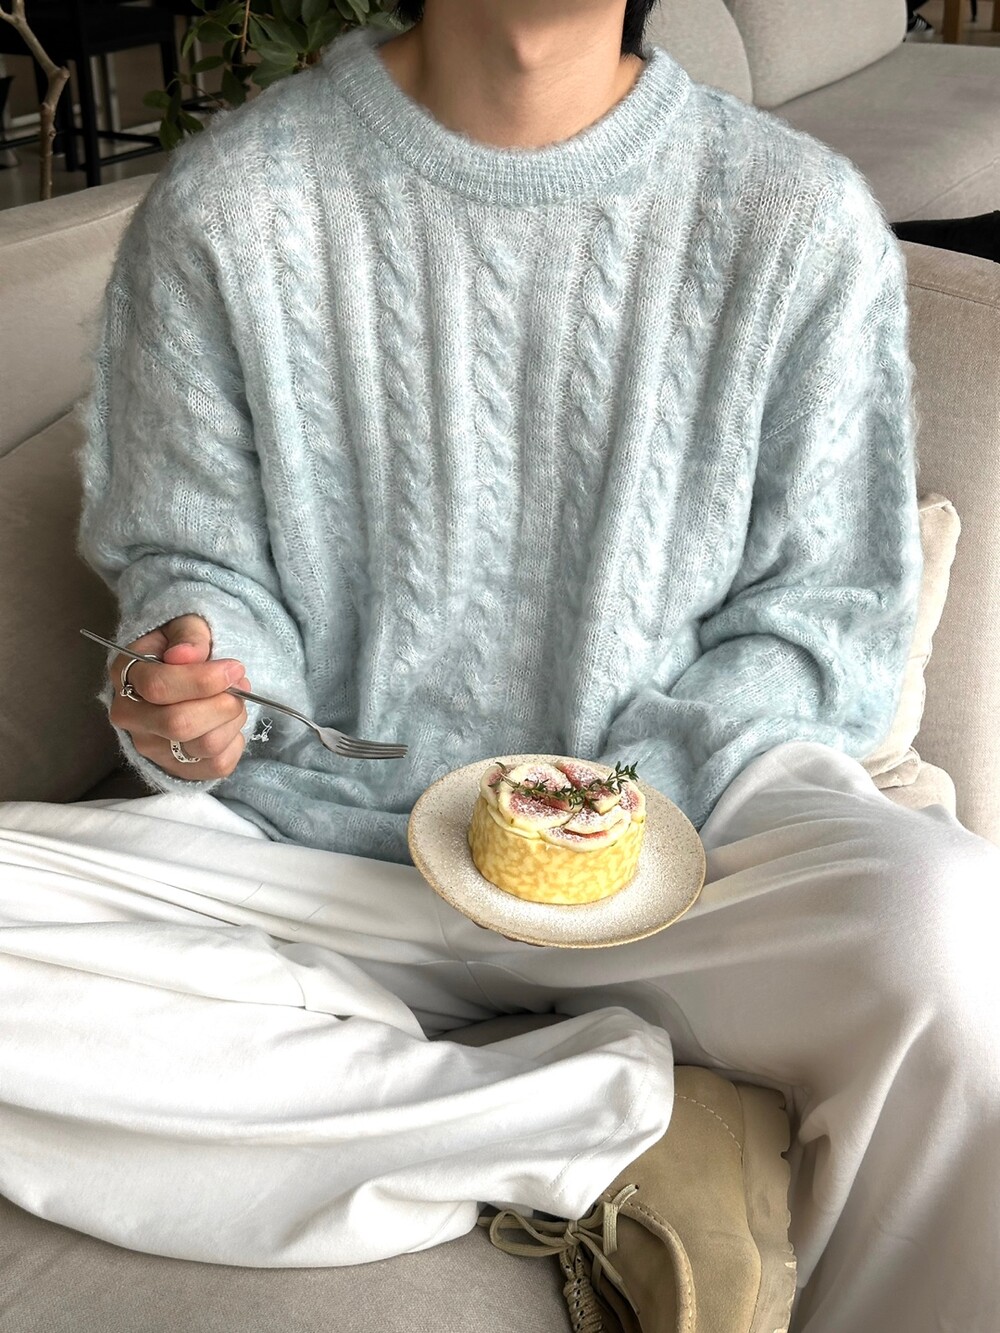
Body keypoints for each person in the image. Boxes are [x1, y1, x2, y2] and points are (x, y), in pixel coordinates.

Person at [1, 2, 998, 1330]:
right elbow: (197, 558)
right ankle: (609, 1124)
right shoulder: (230, 206)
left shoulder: (797, 218)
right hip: (323, 851)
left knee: (952, 933)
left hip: (681, 853)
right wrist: (198, 681)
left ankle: (374, 1076)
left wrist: (592, 812)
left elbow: (830, 615)